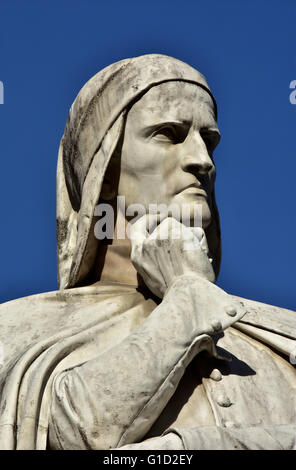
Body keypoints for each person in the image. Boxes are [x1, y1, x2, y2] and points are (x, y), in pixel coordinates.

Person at [0, 54, 295, 450]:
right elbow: (75, 432)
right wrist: (187, 300)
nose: (202, 161)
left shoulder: (281, 333)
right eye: (169, 134)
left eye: (208, 141)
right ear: (103, 171)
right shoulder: (17, 331)